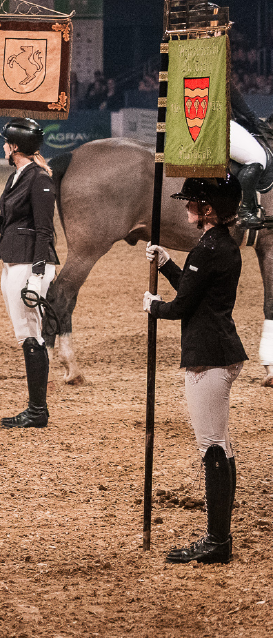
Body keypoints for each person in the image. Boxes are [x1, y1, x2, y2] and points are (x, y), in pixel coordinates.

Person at [143, 176, 245, 565]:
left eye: (192, 202)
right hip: (222, 350)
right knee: (222, 447)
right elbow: (194, 290)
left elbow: (183, 306)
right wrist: (168, 263)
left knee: (213, 448)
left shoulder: (207, 249)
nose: (186, 207)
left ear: (208, 209)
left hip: (208, 357)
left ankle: (218, 541)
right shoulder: (221, 244)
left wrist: (153, 306)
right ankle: (219, 537)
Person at [0, 118, 58, 429]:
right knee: (25, 334)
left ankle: (37, 410)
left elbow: (45, 231)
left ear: (15, 146)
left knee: (31, 335)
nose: (4, 146)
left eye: (7, 142)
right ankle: (36, 408)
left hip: (30, 264)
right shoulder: (16, 176)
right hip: (13, 261)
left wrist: (37, 274)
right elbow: (10, 228)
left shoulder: (39, 179)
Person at [226, 87, 273, 229]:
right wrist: (252, 117)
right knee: (257, 157)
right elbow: (229, 89)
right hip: (212, 121)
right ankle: (244, 212)